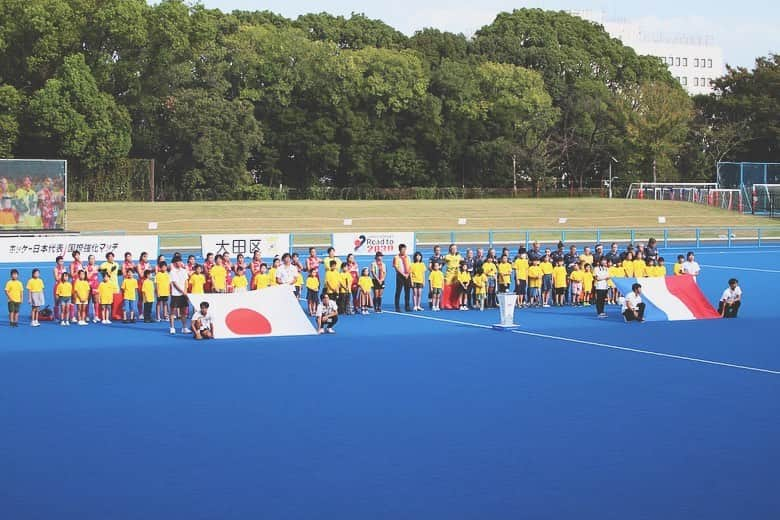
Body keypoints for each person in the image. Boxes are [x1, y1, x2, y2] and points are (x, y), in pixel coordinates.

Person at [168, 253, 192, 335]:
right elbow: (174, 283)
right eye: (178, 261)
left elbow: (186, 281)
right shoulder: (172, 272)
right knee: (172, 312)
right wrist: (182, 291)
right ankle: (172, 327)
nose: (180, 263)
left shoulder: (184, 270)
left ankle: (184, 327)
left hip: (183, 295)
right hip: (175, 294)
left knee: (183, 312)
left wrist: (185, 291)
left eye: (181, 261)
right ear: (175, 263)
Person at [393, 243, 412, 312]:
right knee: (398, 291)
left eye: (405, 249)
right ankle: (397, 307)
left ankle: (407, 306)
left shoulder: (408, 257)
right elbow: (396, 267)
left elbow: (410, 266)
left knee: (407, 291)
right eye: (402, 250)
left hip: (407, 276)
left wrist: (408, 274)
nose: (404, 251)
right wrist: (403, 274)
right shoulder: (396, 257)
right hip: (400, 276)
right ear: (399, 250)